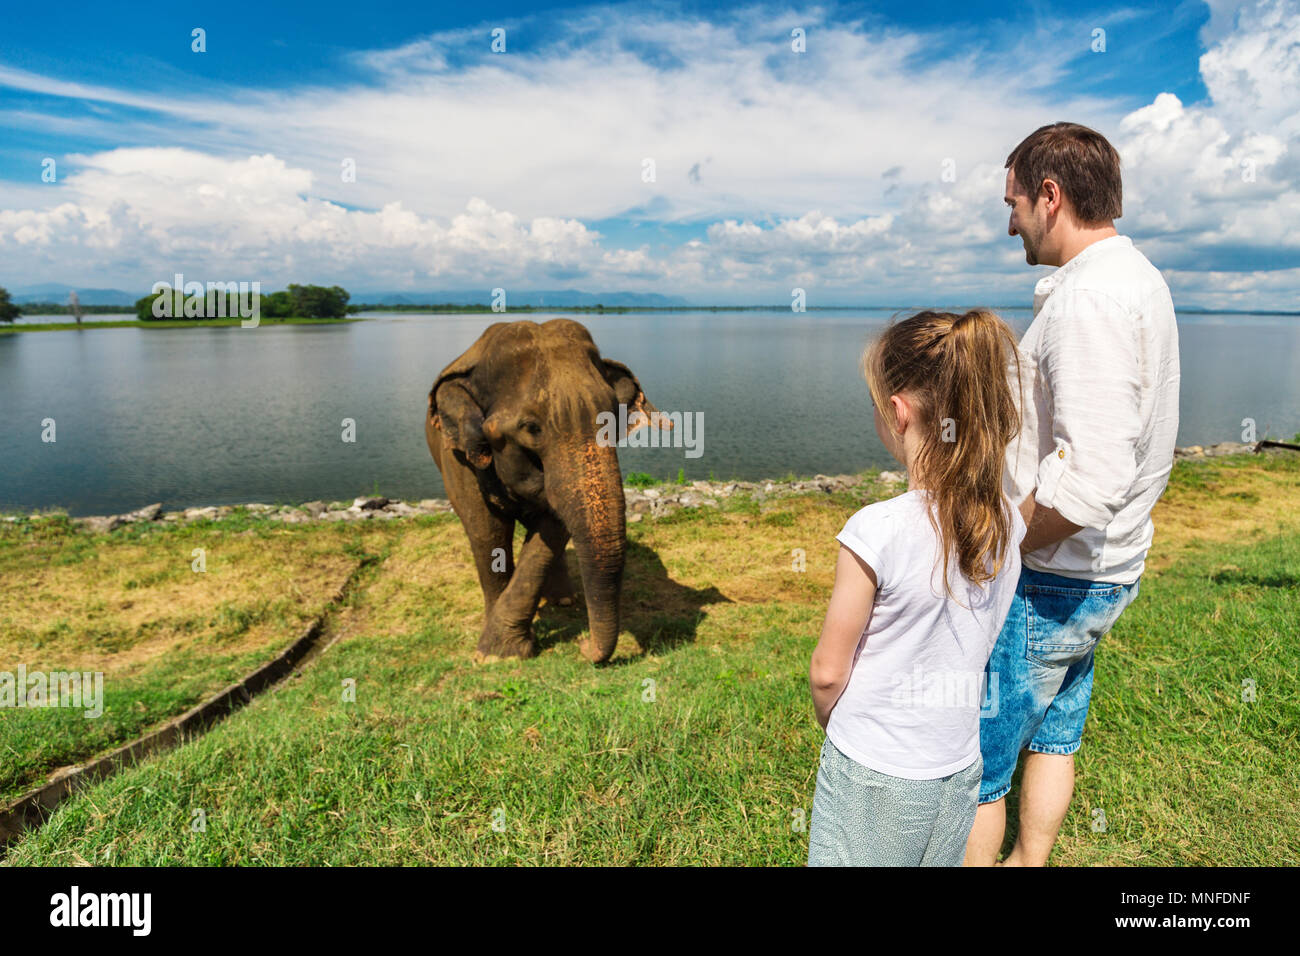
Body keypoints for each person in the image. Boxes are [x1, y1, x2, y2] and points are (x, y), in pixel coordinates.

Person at [963, 122, 1180, 866]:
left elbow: (1087, 481)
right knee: (1055, 735)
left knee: (981, 773)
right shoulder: (1137, 278)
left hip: (1056, 577)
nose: (1010, 219)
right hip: (1103, 569)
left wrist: (1001, 547)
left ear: (1050, 196)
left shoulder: (1091, 300)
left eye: (1014, 201)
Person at [807, 309, 1027, 866]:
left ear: (899, 413)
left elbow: (829, 672)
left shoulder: (875, 531)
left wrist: (840, 725)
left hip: (873, 770)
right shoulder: (1008, 522)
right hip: (958, 764)